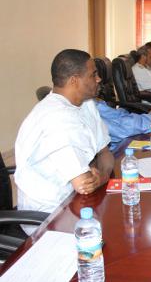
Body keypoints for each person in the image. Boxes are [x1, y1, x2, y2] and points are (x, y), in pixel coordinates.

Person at [14, 49, 114, 234]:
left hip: (75, 201)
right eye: (93, 74)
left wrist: (101, 176)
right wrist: (102, 176)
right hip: (49, 215)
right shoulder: (57, 118)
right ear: (74, 80)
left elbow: (105, 152)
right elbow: (84, 184)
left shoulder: (86, 104)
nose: (99, 79)